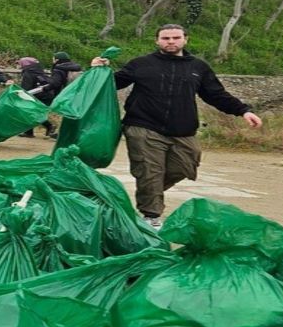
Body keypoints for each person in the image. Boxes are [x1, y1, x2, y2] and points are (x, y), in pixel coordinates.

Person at [91, 24, 262, 229]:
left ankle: (148, 192)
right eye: (165, 38)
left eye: (175, 37)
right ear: (157, 41)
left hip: (183, 130)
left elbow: (216, 95)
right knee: (150, 171)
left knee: (184, 166)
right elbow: (111, 83)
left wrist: (244, 110)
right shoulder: (141, 64)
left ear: (185, 39)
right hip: (143, 126)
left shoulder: (198, 67)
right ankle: (151, 217)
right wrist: (98, 71)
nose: (170, 41)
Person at [16, 57, 57, 138]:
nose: (19, 65)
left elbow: (26, 87)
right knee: (33, 113)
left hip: (38, 96)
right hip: (47, 95)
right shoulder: (39, 72)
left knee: (32, 113)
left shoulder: (28, 73)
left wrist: (20, 94)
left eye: (20, 63)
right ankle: (29, 132)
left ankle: (49, 126)